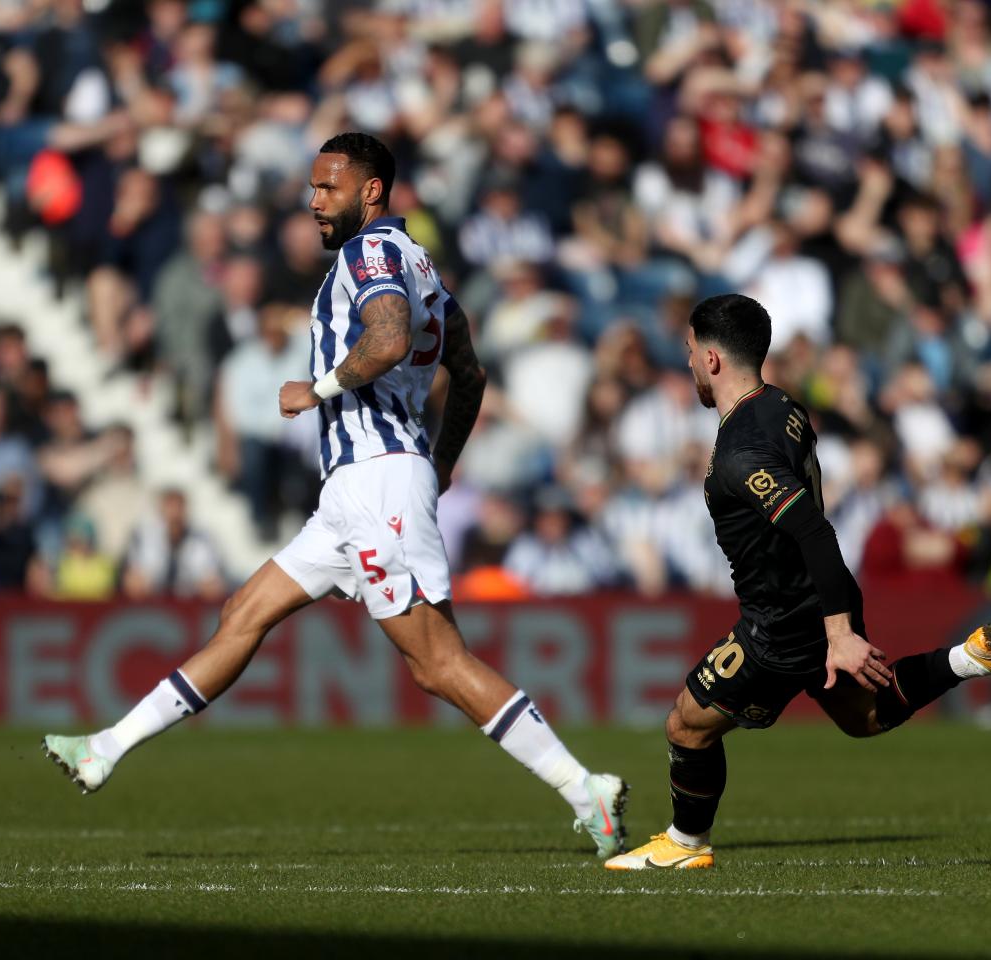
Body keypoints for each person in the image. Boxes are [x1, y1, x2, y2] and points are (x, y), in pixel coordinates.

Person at [44, 132, 630, 858]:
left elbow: (384, 342)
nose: (314, 201)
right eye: (312, 188)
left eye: (328, 188)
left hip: (374, 477)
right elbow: (470, 376)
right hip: (359, 487)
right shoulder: (429, 276)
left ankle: (585, 789)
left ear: (372, 191)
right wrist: (441, 463)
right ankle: (106, 748)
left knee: (437, 662)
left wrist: (312, 390)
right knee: (243, 614)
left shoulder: (371, 255)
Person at [605, 294, 991, 871]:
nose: (689, 363)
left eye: (691, 352)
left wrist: (838, 634)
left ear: (713, 360)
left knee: (687, 724)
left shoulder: (741, 454)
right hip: (821, 599)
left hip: (786, 620)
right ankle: (970, 658)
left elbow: (814, 532)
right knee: (863, 717)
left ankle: (685, 844)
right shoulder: (783, 406)